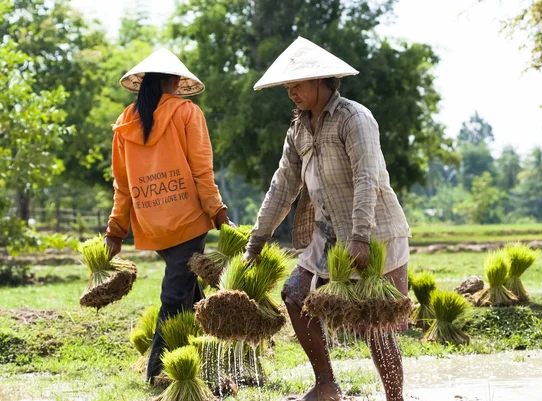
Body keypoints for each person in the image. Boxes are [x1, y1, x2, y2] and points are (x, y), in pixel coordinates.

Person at [243, 37, 412, 401]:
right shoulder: (298, 130)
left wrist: (361, 236)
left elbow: (367, 177)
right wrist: (256, 241)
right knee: (294, 294)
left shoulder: (354, 118)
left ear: (320, 80)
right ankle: (326, 384)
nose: (291, 92)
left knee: (376, 323)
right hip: (328, 230)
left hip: (376, 230)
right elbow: (283, 185)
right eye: (287, 86)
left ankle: (395, 398)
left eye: (297, 84)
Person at [103, 48, 232, 384]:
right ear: (170, 80)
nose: (179, 82)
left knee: (189, 295)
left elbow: (123, 186)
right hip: (188, 220)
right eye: (176, 77)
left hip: (151, 222)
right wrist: (219, 214)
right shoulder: (187, 112)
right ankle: (158, 374)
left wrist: (116, 230)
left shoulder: (125, 122)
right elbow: (202, 171)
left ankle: (213, 363)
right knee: (175, 297)